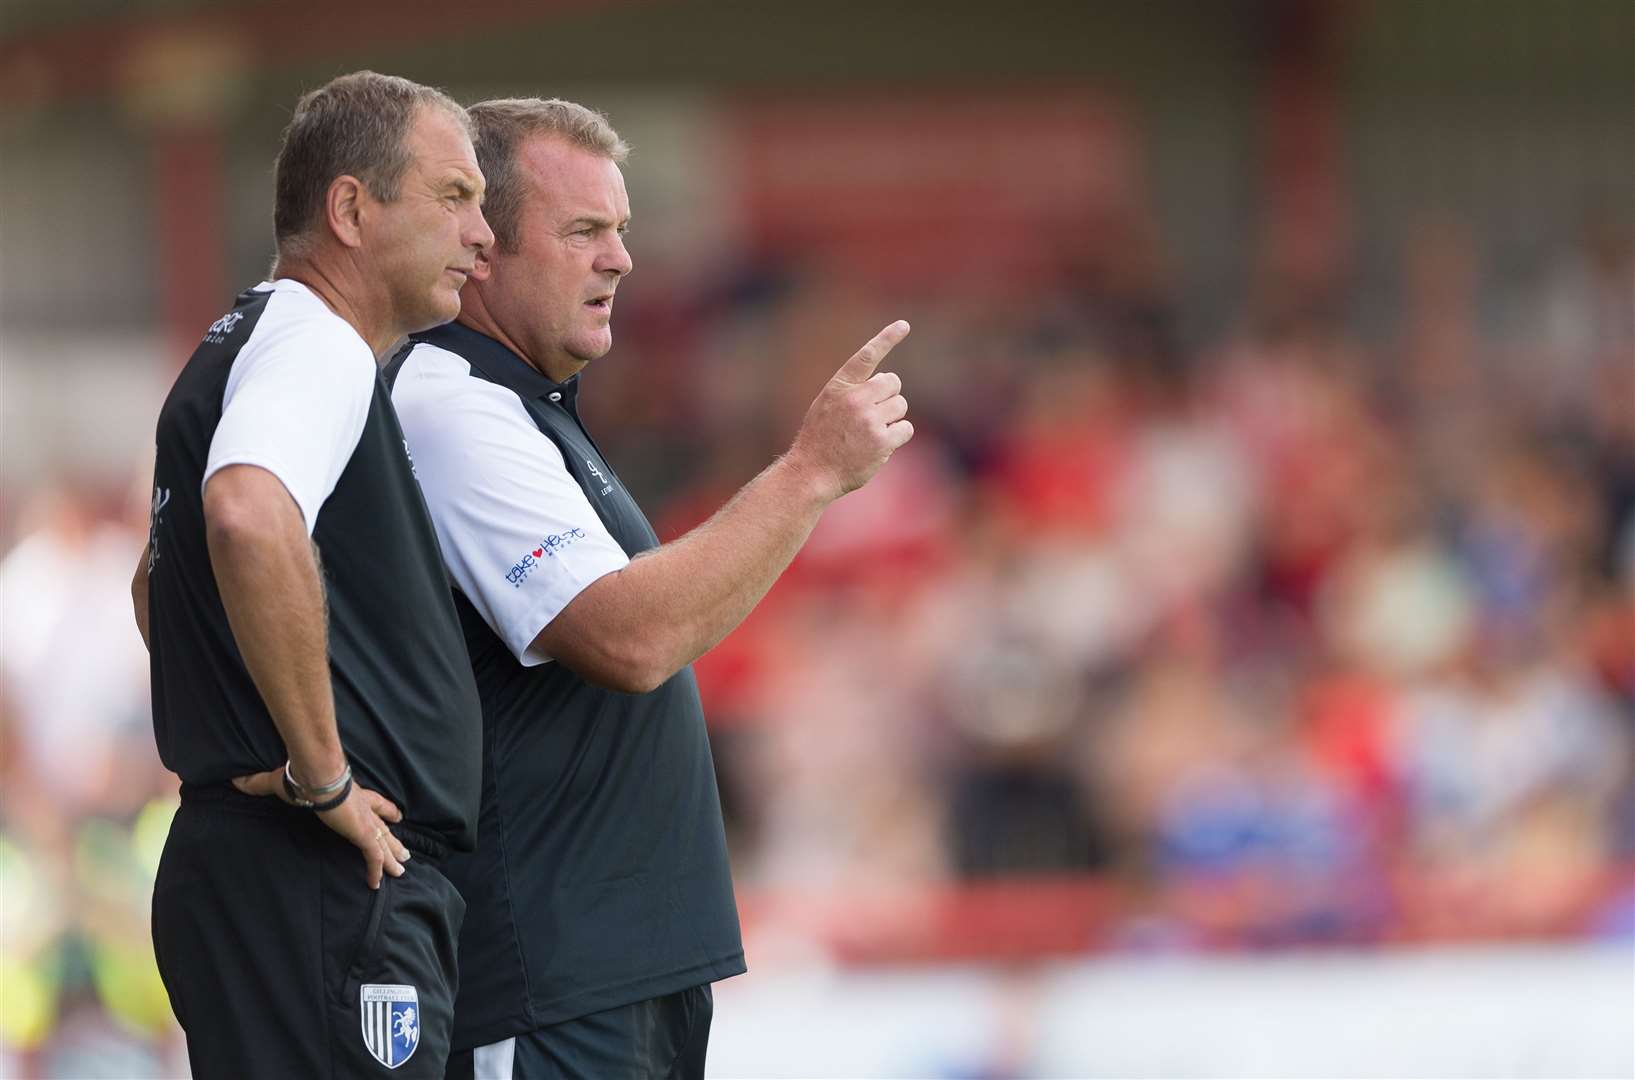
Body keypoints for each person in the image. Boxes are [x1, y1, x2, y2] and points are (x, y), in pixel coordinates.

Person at [386, 97, 913, 1079]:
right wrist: (809, 474)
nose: (620, 259)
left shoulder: (519, 411)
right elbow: (629, 639)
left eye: (621, 231)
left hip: (609, 977)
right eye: (584, 230)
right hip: (545, 978)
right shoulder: (449, 408)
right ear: (481, 246)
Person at [131, 71, 494, 1078]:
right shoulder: (317, 346)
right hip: (319, 883)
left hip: (269, 874)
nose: (483, 234)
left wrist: (252, 727)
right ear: (351, 208)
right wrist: (320, 772)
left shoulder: (240, 344)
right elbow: (246, 518)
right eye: (454, 197)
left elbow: (156, 592)